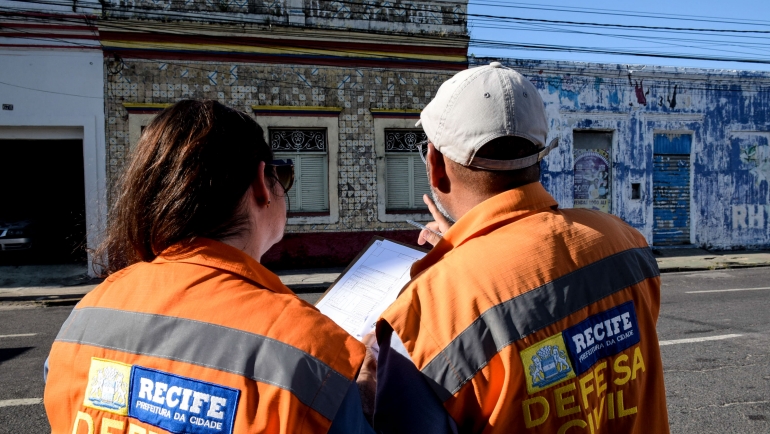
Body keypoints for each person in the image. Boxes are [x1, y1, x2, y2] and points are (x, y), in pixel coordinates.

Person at [44, 100, 375, 434]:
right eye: (282, 176)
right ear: (261, 185)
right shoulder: (313, 355)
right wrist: (357, 398)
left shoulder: (83, 319)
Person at [371, 62, 670, 433]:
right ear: (539, 153)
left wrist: (370, 382)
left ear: (434, 164)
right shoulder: (627, 242)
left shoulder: (425, 316)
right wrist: (469, 248)